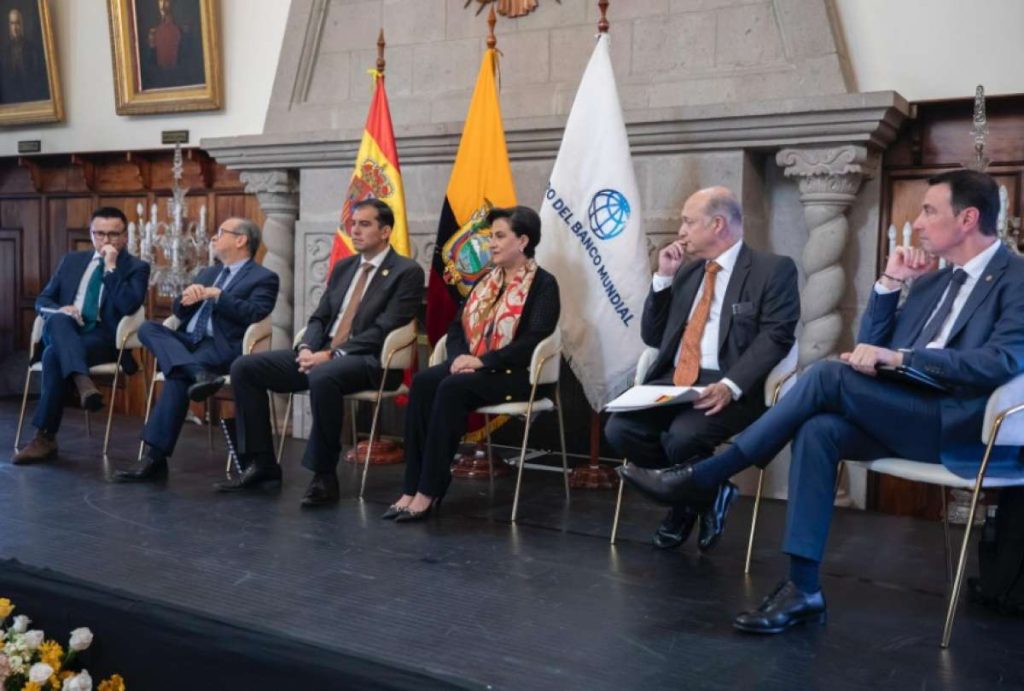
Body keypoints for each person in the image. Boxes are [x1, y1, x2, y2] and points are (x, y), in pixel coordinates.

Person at [620, 169, 1024, 634]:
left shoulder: (1016, 278)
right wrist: (890, 284)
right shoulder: (932, 283)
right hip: (904, 413)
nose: (917, 223)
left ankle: (707, 475)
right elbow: (871, 346)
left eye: (929, 211)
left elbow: (1003, 361)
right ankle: (803, 587)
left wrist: (905, 358)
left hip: (964, 426)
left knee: (828, 375)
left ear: (967, 218)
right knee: (819, 430)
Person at [604, 186, 799, 552]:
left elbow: (777, 336)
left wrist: (731, 384)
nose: (681, 231)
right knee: (620, 430)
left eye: (688, 222)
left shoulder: (773, 270)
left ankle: (681, 508)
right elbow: (654, 336)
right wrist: (663, 278)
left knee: (683, 437)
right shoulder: (687, 272)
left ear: (717, 224)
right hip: (674, 381)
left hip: (731, 384)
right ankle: (708, 493)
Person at [221, 199, 424, 506]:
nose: (355, 230)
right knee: (245, 367)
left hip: (371, 361)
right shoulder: (344, 267)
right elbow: (320, 317)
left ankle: (324, 475)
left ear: (385, 231)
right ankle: (260, 463)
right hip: (321, 355)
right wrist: (306, 348)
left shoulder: (406, 271)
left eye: (364, 224)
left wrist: (331, 355)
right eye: (353, 224)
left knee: (324, 375)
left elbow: (385, 328)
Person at [385, 205, 560, 523]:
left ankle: (429, 490)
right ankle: (411, 486)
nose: (491, 244)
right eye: (491, 236)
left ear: (523, 241)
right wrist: (458, 360)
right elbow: (456, 328)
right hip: (475, 368)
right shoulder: (485, 280)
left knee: (452, 388)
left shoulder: (544, 285)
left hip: (518, 373)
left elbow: (533, 340)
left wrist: (481, 362)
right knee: (424, 382)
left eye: (499, 236)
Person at [115, 217, 278, 482]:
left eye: (220, 232)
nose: (213, 237)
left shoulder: (264, 277)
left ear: (241, 240)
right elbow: (179, 312)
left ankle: (154, 459)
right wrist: (186, 299)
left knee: (177, 376)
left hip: (220, 345)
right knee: (147, 329)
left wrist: (219, 296)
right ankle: (197, 373)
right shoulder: (208, 272)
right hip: (188, 339)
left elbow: (255, 313)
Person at [13, 207, 150, 465]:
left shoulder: (136, 267)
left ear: (124, 237)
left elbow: (129, 305)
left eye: (113, 234)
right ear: (91, 234)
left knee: (53, 355)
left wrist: (111, 268)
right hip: (67, 329)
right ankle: (83, 382)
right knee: (59, 320)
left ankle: (45, 437)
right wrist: (61, 309)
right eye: (99, 234)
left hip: (102, 338)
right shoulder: (72, 261)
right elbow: (43, 300)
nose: (106, 240)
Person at [141, 0, 204, 89]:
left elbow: (189, 67)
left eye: (166, 1)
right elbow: (150, 69)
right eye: (160, 1)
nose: (163, 4)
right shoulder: (154, 33)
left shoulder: (183, 33)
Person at [0, 8, 49, 103]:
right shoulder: (5, 51)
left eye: (17, 23)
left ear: (22, 25)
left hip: (30, 97)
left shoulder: (32, 49)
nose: (15, 28)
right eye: (12, 24)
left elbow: (37, 79)